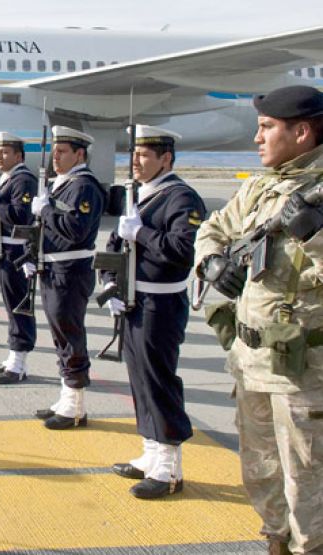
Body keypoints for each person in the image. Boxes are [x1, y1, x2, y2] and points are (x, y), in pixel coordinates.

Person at [194, 85, 323, 554]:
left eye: (267, 127)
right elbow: (213, 228)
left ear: (303, 132)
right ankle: (276, 541)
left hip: (303, 373)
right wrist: (212, 262)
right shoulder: (260, 186)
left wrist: (314, 235)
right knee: (261, 470)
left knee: (306, 483)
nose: (257, 138)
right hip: (251, 362)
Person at [102, 125, 206, 499]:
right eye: (134, 154)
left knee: (159, 380)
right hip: (134, 298)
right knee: (139, 379)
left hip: (160, 303)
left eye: (145, 155)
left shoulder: (181, 198)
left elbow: (183, 251)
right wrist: (110, 281)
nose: (136, 160)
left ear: (166, 159)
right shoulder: (141, 195)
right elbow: (118, 242)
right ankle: (150, 453)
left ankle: (169, 467)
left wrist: (141, 234)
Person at [31, 126, 105, 430]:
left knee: (70, 333)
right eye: (54, 151)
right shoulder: (62, 184)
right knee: (60, 335)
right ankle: (66, 397)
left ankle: (75, 405)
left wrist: (47, 211)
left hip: (70, 271)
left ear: (79, 154)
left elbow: (76, 230)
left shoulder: (83, 186)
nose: (55, 157)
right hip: (53, 268)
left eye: (62, 152)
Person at [0, 132, 38, 384]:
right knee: (11, 306)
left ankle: (19, 364)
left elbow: (20, 216)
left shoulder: (23, 180)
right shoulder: (8, 179)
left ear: (19, 155)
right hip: (6, 249)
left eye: (5, 152)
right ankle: (13, 356)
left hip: (18, 252)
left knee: (19, 307)